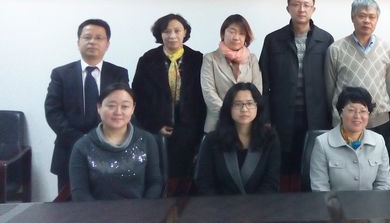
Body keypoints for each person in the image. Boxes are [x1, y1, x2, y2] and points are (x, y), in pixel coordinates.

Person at [259, 0, 334, 188]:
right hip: (282, 114)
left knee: (313, 163)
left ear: (313, 9)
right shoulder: (273, 40)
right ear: (288, 8)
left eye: (306, 5)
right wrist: (265, 117)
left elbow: (332, 81)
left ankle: (310, 204)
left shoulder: (325, 39)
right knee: (283, 164)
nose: (301, 9)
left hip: (316, 114)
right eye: (296, 4)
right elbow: (263, 82)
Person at [45, 19, 129, 193]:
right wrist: (80, 140)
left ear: (107, 44)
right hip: (70, 149)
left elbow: (123, 109)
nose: (92, 42)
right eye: (87, 37)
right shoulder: (61, 74)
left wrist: (103, 139)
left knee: (107, 203)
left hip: (109, 149)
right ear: (78, 42)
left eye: (99, 38)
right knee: (69, 204)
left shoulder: (119, 73)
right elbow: (53, 111)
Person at [132, 14, 207, 195]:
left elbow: (202, 97)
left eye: (177, 30)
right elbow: (138, 98)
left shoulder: (197, 59)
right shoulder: (147, 59)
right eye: (166, 31)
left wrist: (199, 128)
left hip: (190, 128)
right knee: (160, 177)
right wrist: (154, 125)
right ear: (160, 34)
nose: (172, 35)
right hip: (157, 129)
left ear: (185, 32)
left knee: (187, 177)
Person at [69, 83, 163, 201]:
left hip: (140, 210)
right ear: (99, 107)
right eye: (111, 106)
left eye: (125, 106)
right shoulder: (82, 146)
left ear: (133, 108)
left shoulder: (147, 140)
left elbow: (155, 183)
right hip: (95, 211)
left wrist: (142, 209)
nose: (118, 112)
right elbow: (80, 192)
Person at [325, 0, 390, 145]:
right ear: (352, 18)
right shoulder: (336, 49)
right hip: (346, 120)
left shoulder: (387, 49)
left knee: (375, 157)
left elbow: (388, 85)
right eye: (362, 16)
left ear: (377, 20)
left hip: (378, 120)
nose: (367, 21)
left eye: (372, 17)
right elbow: (330, 88)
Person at [195, 83, 280, 195]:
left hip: (259, 204)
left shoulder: (270, 138)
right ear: (228, 108)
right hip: (219, 204)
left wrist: (253, 204)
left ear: (258, 107)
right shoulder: (212, 140)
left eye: (249, 103)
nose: (244, 109)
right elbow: (204, 183)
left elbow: (271, 183)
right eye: (237, 104)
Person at [309, 87, 390, 191]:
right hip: (335, 201)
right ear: (341, 113)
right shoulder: (322, 143)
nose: (357, 116)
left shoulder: (379, 141)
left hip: (370, 201)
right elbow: (320, 187)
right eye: (351, 110)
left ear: (368, 114)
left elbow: (384, 184)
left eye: (363, 111)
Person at [201, 14, 262, 133]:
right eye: (232, 32)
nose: (236, 37)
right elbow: (208, 92)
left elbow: (257, 91)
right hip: (218, 123)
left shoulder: (252, 59)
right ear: (223, 33)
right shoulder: (210, 58)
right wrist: (229, 113)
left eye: (241, 33)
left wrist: (245, 112)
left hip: (247, 124)